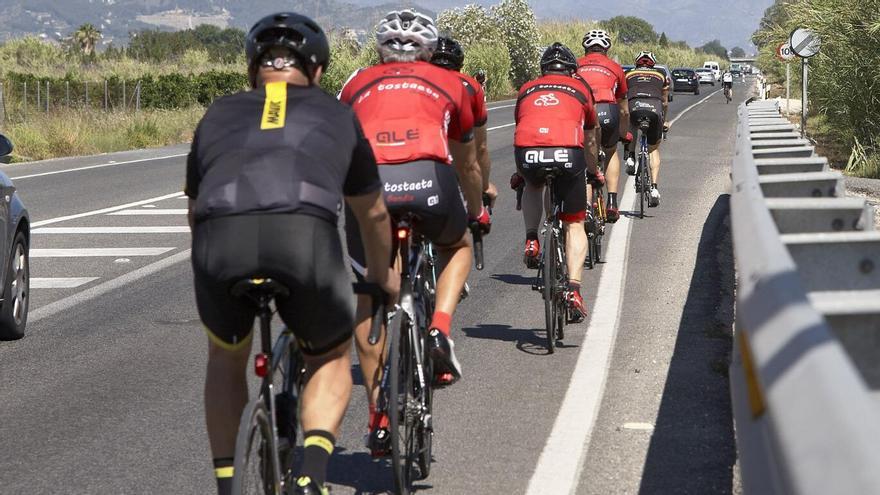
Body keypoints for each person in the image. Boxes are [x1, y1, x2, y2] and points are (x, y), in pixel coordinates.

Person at [186, 12, 397, 495]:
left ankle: (226, 483)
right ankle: (311, 475)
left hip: (221, 239)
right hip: (304, 238)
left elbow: (196, 211)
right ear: (318, 70)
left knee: (224, 356)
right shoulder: (338, 114)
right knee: (329, 355)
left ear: (251, 68)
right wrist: (381, 275)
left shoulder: (217, 113)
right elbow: (374, 214)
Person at [339, 9, 489, 456]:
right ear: (430, 49)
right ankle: (439, 329)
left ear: (379, 48)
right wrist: (477, 212)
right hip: (430, 181)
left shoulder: (356, 82)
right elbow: (468, 162)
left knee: (370, 293)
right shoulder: (451, 82)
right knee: (457, 246)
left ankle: (379, 416)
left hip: (371, 187)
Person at [514, 42, 603, 322]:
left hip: (528, 150)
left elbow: (522, 125)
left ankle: (531, 239)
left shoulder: (526, 88)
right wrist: (594, 171)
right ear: (572, 71)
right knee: (574, 222)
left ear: (543, 70)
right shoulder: (581, 90)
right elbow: (589, 138)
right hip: (567, 152)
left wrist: (521, 170)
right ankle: (574, 290)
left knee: (531, 184)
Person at [431, 35, 497, 206]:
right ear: (459, 63)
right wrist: (484, 186)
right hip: (454, 159)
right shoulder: (472, 86)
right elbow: (481, 147)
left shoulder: (415, 80)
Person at [576, 29, 629, 222]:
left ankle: (588, 208)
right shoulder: (615, 67)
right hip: (609, 109)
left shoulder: (575, 65)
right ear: (607, 48)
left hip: (584, 110)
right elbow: (624, 109)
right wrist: (624, 133)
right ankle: (613, 203)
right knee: (611, 151)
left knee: (584, 158)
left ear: (585, 48)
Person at [623, 51, 668, 207]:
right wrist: (665, 120)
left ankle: (630, 156)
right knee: (653, 149)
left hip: (634, 106)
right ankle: (654, 188)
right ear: (653, 64)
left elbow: (622, 96)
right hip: (654, 108)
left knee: (631, 126)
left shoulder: (628, 74)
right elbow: (665, 102)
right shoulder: (661, 74)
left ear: (637, 63)